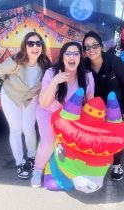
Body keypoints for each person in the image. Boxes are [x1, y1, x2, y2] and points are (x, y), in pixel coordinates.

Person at [31, 41, 94, 187]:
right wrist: (55, 82)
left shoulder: (87, 76)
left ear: (81, 57)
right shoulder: (51, 73)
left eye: (76, 53)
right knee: (48, 143)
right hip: (49, 112)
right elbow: (44, 103)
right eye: (68, 53)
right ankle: (38, 169)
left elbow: (89, 104)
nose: (72, 57)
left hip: (71, 117)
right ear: (63, 56)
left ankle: (73, 171)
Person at [0, 32, 52, 179]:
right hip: (11, 97)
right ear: (25, 46)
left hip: (29, 99)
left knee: (29, 129)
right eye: (30, 43)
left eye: (38, 43)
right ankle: (20, 163)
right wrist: (11, 69)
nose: (35, 47)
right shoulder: (16, 60)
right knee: (16, 130)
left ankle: (32, 157)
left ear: (42, 47)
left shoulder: (45, 64)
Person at [82, 31, 124, 181]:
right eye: (87, 47)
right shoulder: (84, 65)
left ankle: (116, 164)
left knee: (115, 138)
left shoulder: (114, 61)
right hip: (94, 111)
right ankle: (97, 164)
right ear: (84, 51)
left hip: (115, 109)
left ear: (101, 46)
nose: (91, 49)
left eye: (94, 45)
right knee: (96, 139)